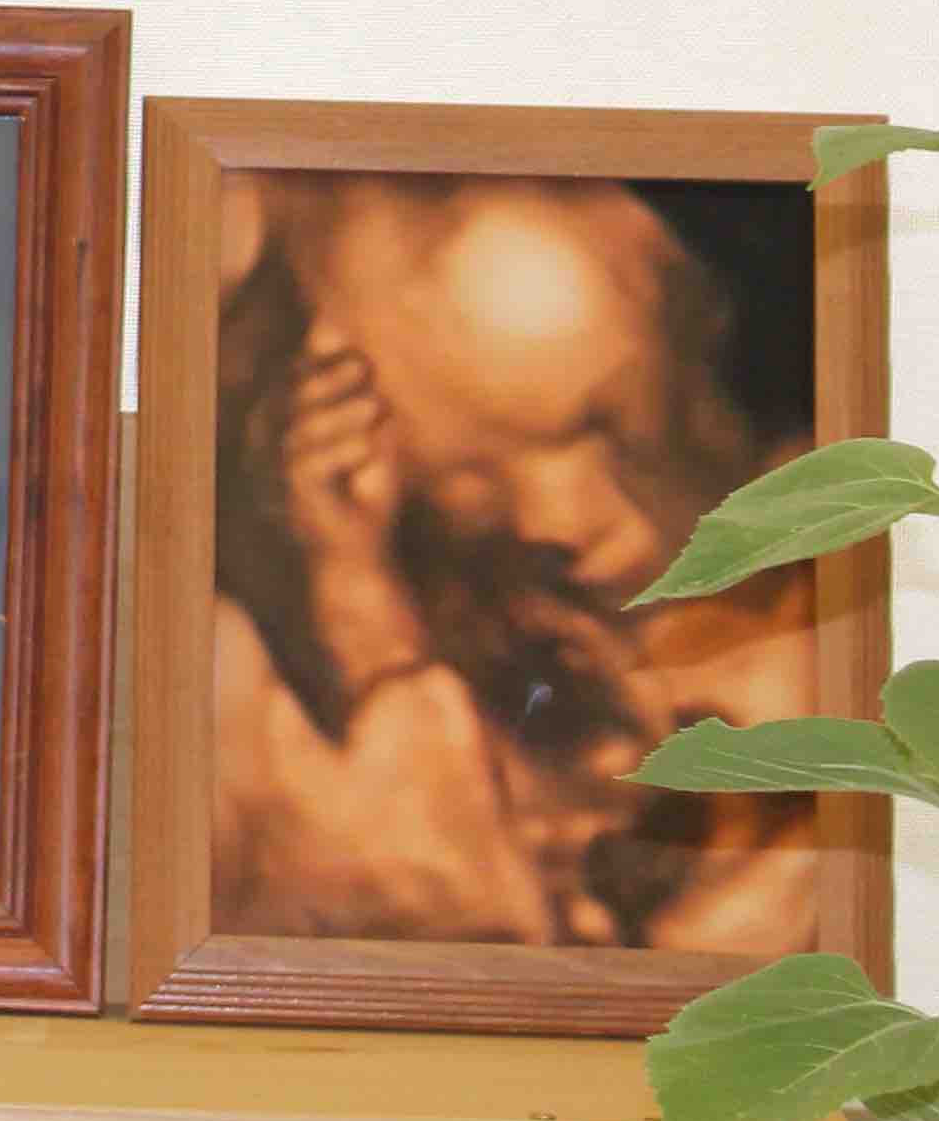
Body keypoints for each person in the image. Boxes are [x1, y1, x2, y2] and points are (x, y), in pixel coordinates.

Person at [204, 171, 818, 950]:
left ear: (704, 339)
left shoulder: (833, 589)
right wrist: (354, 595)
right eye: (469, 488)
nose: (550, 521)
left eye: (604, 427)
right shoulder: (475, 620)